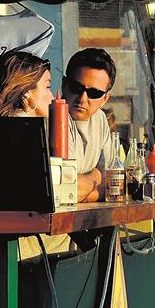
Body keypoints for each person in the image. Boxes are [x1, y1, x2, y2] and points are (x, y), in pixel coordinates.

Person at [0, 51, 70, 260]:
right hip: (19, 249)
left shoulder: (7, 131)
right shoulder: (20, 136)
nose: (53, 97)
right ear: (27, 94)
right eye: (46, 86)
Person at [63, 48, 117, 203]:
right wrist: (97, 175)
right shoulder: (55, 117)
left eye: (94, 93)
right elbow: (67, 190)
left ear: (105, 99)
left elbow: (114, 185)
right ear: (64, 84)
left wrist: (84, 191)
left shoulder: (100, 118)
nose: (82, 98)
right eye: (76, 87)